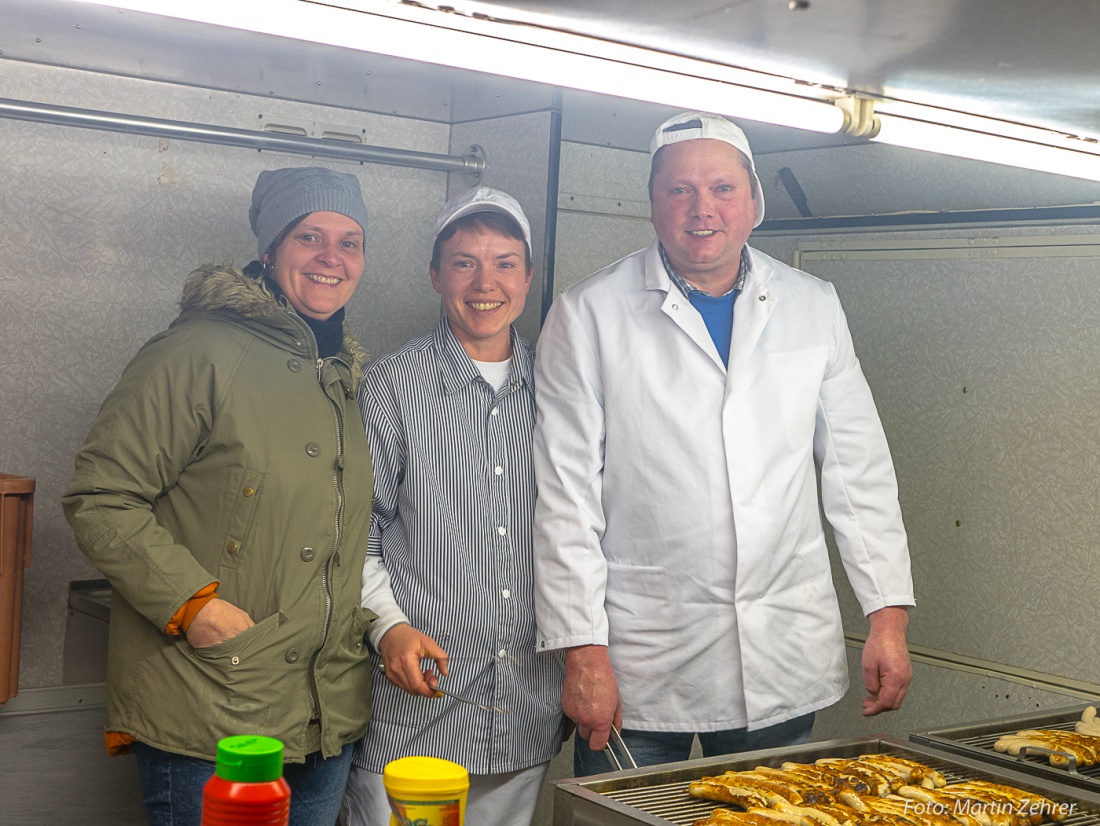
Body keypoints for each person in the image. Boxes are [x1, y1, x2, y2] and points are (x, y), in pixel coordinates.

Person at [532, 111, 915, 775]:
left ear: (753, 200)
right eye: (679, 190)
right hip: (642, 662)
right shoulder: (587, 314)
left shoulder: (812, 303)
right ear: (652, 203)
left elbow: (858, 471)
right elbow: (564, 498)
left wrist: (887, 619)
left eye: (722, 189)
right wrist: (583, 654)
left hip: (782, 650)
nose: (701, 209)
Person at [62, 166, 377, 825]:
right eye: (309, 237)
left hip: (324, 712)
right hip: (216, 703)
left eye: (350, 242)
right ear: (268, 250)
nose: (331, 258)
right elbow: (101, 495)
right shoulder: (198, 352)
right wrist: (192, 604)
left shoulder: (341, 371)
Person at [342, 187, 563, 826]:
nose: (485, 282)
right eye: (464, 262)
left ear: (527, 277)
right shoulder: (391, 384)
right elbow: (359, 529)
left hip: (526, 708)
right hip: (415, 712)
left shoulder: (563, 387)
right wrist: (387, 627)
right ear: (436, 275)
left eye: (504, 262)